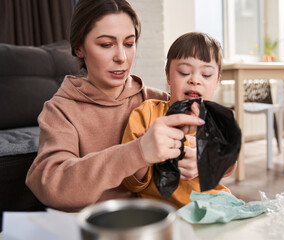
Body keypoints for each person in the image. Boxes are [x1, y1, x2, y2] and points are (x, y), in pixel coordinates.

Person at [25, 0, 204, 212]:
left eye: (129, 44)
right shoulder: (61, 110)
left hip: (154, 224)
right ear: (79, 48)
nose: (121, 57)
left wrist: (203, 160)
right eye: (106, 45)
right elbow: (51, 184)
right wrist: (137, 152)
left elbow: (224, 154)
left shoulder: (158, 101)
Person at [121, 32, 236, 208]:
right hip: (164, 212)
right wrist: (144, 152)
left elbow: (229, 166)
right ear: (168, 76)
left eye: (206, 75)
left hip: (213, 205)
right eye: (184, 72)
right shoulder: (147, 112)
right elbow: (132, 181)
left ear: (217, 81)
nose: (195, 80)